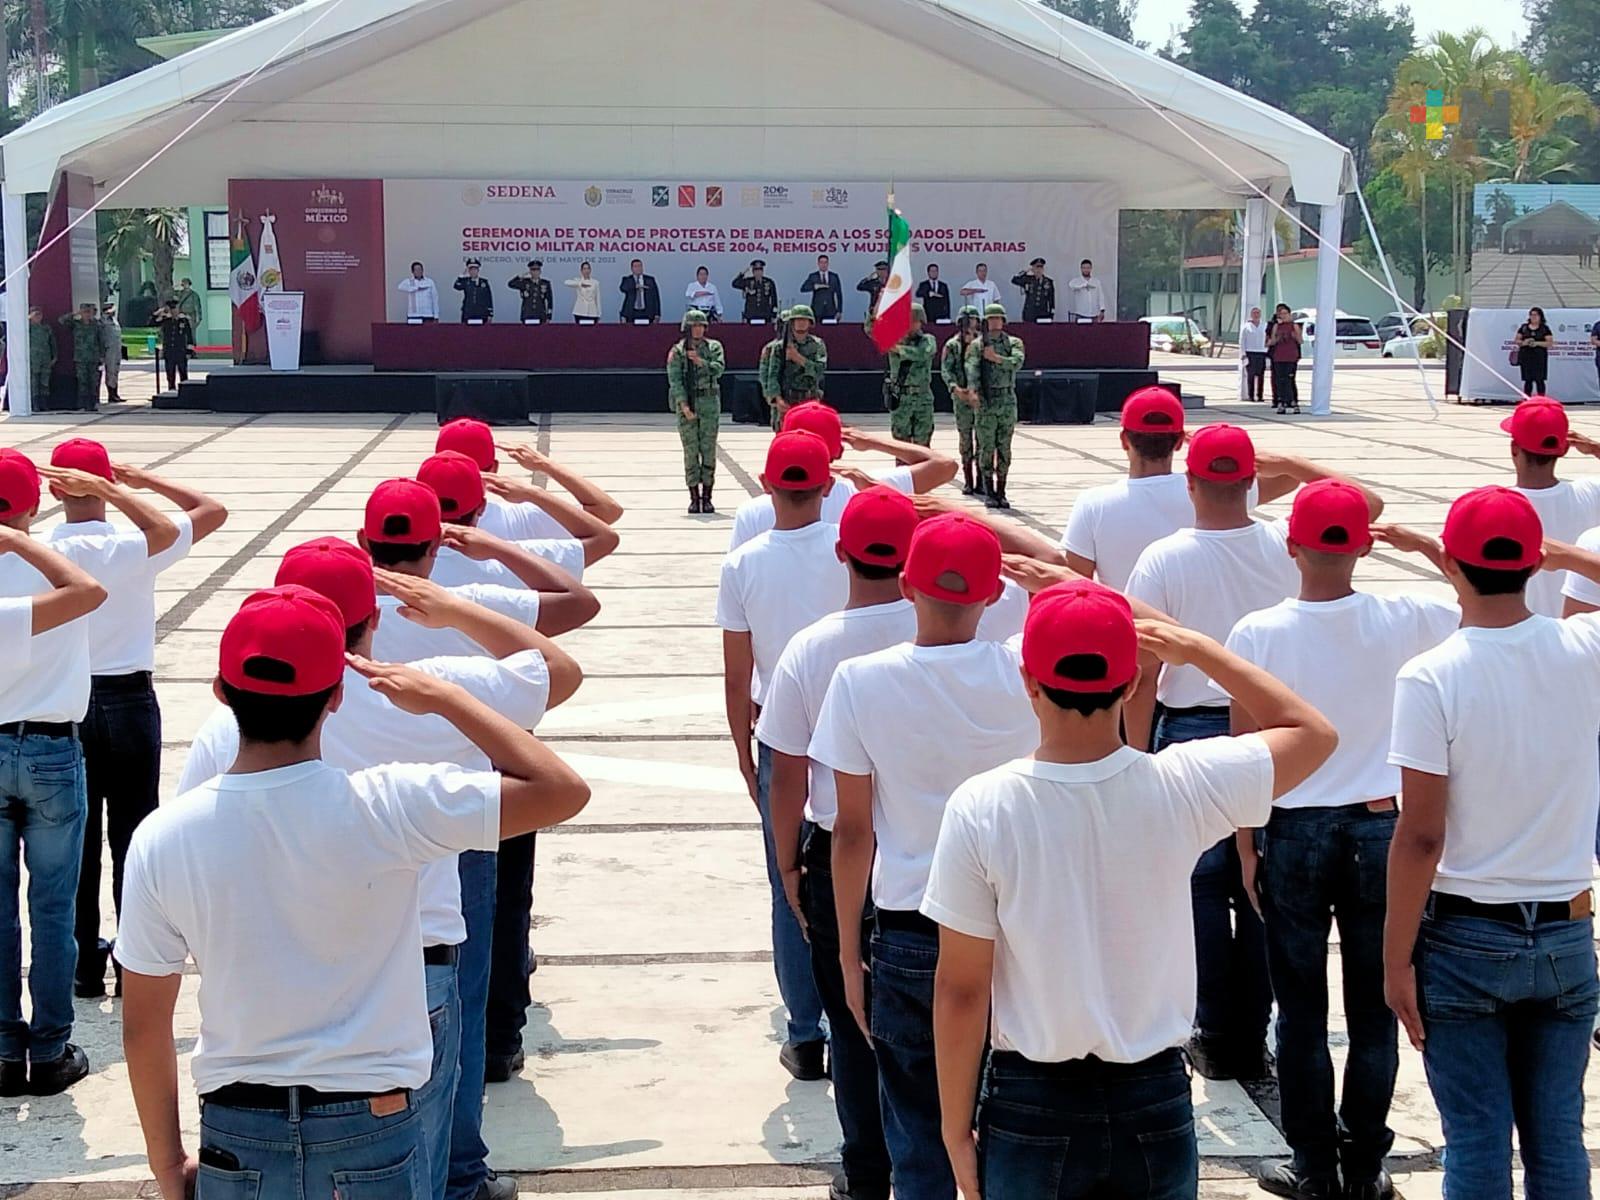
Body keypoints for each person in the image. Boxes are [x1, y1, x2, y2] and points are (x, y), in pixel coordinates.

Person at [115, 585, 591, 1200]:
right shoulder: (387, 806)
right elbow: (560, 789)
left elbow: (143, 1024)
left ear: (221, 691)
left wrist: (167, 1163)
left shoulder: (161, 837)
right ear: (337, 696)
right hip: (373, 1123)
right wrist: (450, 699)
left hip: (237, 1128)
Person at [923, 582, 1337, 1200]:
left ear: (1028, 680)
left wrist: (955, 1128)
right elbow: (1313, 732)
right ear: (1129, 684)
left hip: (1031, 1100)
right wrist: (1198, 651)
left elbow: (961, 989)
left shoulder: (983, 805)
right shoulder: (1182, 784)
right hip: (1153, 1097)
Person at [1123, 425, 1384, 1083]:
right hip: (1276, 724)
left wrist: (1132, 752)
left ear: (1190, 484)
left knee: (1204, 887)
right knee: (1260, 891)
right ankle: (1257, 1024)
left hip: (1189, 731)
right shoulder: (1283, 544)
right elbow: (1366, 507)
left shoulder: (1163, 558)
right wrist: (1297, 464)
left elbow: (1146, 671)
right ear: (1252, 483)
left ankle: (1215, 1030)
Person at [1226, 484, 1458, 1200]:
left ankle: (1312, 1164)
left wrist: (1245, 843)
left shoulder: (1256, 633)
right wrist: (1424, 548)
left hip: (1293, 828)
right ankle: (1365, 1165)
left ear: (1291, 547)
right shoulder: (1408, 615)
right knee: (1375, 1009)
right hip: (1380, 827)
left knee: (1299, 1013)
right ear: (1360, 546)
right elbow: (1486, 601)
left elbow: (1244, 749)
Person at [809, 514, 1036, 1200]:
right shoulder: (1027, 670)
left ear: (907, 586)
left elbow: (852, 833)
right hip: (1015, 928)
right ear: (995, 595)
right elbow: (1104, 606)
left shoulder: (859, 681)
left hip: (910, 930)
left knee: (917, 1138)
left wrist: (850, 953)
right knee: (1016, 1131)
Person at [1385, 487, 1600, 1200]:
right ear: (1535, 563)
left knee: (1477, 1143)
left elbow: (1420, 835)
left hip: (1466, 938)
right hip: (1568, 934)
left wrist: (1393, 960)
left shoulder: (1431, 675)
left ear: (1450, 562)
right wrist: (1565, 556)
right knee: (1558, 1140)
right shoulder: (1584, 648)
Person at [756, 487, 917, 1200]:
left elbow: (786, 770)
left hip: (838, 852)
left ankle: (867, 1173)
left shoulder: (813, 649)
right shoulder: (954, 630)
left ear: (841, 551)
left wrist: (786, 861)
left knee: (852, 1021)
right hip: (936, 853)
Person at [42, 439, 228, 1003]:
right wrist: (139, 484)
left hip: (68, 701)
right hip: (128, 701)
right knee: (134, 837)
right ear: (107, 486)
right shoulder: (133, 543)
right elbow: (210, 511)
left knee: (77, 842)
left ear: (54, 490)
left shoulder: (43, 550)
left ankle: (80, 965)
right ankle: (133, 960)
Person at [717, 430, 848, 1083]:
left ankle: (804, 1033)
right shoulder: (852, 551)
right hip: (860, 730)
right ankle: (862, 1012)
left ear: (768, 489)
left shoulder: (744, 565)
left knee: (788, 882)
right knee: (869, 873)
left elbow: (737, 677)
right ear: (827, 486)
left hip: (782, 739)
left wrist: (744, 754)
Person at [0, 452, 110, 1098]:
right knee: (53, 907)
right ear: (32, 507)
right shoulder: (62, 568)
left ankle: (6, 1050)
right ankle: (51, 1046)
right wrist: (21, 540)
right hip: (50, 753)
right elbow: (88, 593)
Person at [727, 401, 956, 551]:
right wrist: (872, 441)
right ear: (839, 449)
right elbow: (945, 465)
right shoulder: (864, 490)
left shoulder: (751, 512)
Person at [1060, 386, 1200, 591]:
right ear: (1179, 442)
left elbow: (1077, 586)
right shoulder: (1207, 493)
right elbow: (1261, 478)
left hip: (1125, 621)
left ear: (1124, 440)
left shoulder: (1093, 504)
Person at [1491, 399, 1600, 617]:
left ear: (1514, 449)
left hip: (1521, 636)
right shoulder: (1592, 492)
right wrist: (1596, 448)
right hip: (1579, 636)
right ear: (1564, 449)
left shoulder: (1494, 507)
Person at [433, 419, 626, 541]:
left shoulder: (408, 517)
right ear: (494, 469)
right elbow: (607, 510)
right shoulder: (519, 519)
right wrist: (544, 466)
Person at [965, 303, 1024, 509]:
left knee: (1004, 448)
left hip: (1006, 400)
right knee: (987, 447)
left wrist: (996, 358)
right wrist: (972, 391)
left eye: (998, 318)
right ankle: (989, 490)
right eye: (991, 319)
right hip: (987, 402)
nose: (995, 322)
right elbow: (971, 368)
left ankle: (1002, 490)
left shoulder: (1013, 343)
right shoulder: (977, 345)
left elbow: (1017, 362)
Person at [668, 309, 726, 514]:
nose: (698, 329)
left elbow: (719, 368)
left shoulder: (714, 347)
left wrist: (701, 362)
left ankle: (708, 495)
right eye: (694, 326)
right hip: (688, 405)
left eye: (701, 325)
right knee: (691, 452)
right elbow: (675, 381)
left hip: (709, 402)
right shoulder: (677, 351)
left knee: (709, 450)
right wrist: (684, 406)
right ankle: (693, 496)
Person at [759, 304, 827, 431]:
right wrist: (777, 399)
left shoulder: (817, 345)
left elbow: (819, 371)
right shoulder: (779, 347)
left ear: (810, 323)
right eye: (797, 320)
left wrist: (798, 358)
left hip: (809, 400)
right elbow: (771, 376)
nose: (801, 323)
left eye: (804, 320)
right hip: (786, 400)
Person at [941, 306, 983, 495]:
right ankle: (968, 479)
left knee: (984, 440)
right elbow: (946, 370)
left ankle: (982, 479)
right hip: (962, 396)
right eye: (967, 321)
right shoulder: (952, 345)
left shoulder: (983, 343)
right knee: (966, 439)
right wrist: (955, 389)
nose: (971, 324)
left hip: (981, 398)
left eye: (973, 321)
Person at [886, 303, 937, 447]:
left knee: (923, 446)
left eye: (913, 321)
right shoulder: (894, 338)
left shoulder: (928, 340)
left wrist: (899, 349)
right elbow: (871, 330)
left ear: (921, 321)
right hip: (901, 398)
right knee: (901, 446)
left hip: (922, 398)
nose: (909, 324)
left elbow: (923, 353)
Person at [60, 303, 103, 410]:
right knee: (82, 381)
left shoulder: (96, 325)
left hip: (93, 357)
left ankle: (92, 404)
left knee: (93, 381)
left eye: (89, 312)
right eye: (85, 312)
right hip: (81, 358)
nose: (87, 315)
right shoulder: (76, 324)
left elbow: (101, 341)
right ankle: (83, 403)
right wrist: (76, 314)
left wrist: (102, 356)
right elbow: (61, 320)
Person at [1267, 303, 1303, 413]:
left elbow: (1300, 341)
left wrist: (1294, 336)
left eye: (1285, 313)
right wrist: (1273, 341)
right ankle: (1281, 402)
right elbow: (1272, 341)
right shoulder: (1276, 326)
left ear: (1289, 314)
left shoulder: (1294, 326)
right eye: (1281, 314)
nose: (1283, 316)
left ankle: (1294, 402)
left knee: (1290, 379)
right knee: (1280, 380)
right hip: (1279, 356)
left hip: (1291, 356)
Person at [154, 299, 192, 393]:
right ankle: (171, 390)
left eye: (175, 309)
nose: (173, 311)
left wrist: (189, 351)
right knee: (170, 373)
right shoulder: (165, 320)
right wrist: (158, 313)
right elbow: (152, 323)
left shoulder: (183, 320)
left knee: (183, 372)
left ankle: (185, 391)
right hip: (169, 351)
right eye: (171, 309)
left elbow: (189, 336)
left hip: (180, 350)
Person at [1514, 305, 1554, 397]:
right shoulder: (1524, 327)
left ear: (1540, 316)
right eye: (1531, 315)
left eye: (1535, 315)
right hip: (1526, 357)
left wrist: (1536, 343)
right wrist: (1525, 342)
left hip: (1539, 358)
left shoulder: (1544, 328)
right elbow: (1517, 340)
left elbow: (1549, 343)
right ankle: (1527, 399)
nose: (1533, 317)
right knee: (1528, 380)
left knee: (1539, 380)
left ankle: (1541, 399)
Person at [801, 254, 844, 322]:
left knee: (830, 330)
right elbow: (803, 288)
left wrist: (839, 311)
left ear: (828, 263)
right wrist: (815, 286)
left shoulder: (834, 277)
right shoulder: (813, 276)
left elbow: (839, 295)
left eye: (825, 262)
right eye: (821, 262)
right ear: (818, 264)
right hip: (816, 310)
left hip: (831, 310)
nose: (823, 264)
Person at [1011, 257, 1056, 321]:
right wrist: (1025, 272)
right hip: (1029, 313)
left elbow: (1051, 298)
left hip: (1043, 313)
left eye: (1041, 267)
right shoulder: (1028, 279)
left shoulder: (1048, 282)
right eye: (1036, 267)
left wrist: (1052, 312)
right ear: (1033, 269)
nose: (1039, 270)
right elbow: (1014, 280)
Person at [617, 258, 660, 324]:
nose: (638, 268)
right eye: (636, 266)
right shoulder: (627, 279)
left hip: (647, 312)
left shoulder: (650, 280)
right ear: (632, 269)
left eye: (640, 266)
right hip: (631, 312)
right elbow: (623, 288)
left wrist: (657, 314)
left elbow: (656, 297)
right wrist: (635, 286)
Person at [27, 308, 55, 405]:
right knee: (34, 381)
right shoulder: (27, 328)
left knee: (45, 381)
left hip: (45, 358)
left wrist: (54, 356)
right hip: (33, 359)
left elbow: (52, 343)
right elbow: (17, 328)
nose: (38, 317)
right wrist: (28, 318)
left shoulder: (46, 328)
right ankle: (35, 404)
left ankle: (44, 403)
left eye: (39, 314)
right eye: (35, 315)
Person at [1241, 305, 1268, 403]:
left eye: (1258, 313)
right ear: (1251, 315)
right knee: (1251, 375)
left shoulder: (1264, 325)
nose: (1256, 315)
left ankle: (1260, 395)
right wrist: (1243, 353)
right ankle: (1251, 395)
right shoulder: (1246, 326)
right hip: (1250, 352)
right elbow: (1243, 340)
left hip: (1262, 352)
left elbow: (1267, 338)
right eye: (1254, 313)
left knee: (1261, 375)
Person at [1066, 258, 1106, 322]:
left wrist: (1102, 310)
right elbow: (1071, 285)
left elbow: (1101, 296)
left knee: (1095, 332)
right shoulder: (1076, 281)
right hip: (1081, 314)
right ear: (1081, 269)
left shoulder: (1096, 281)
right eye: (1084, 268)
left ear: (1091, 268)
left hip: (1094, 314)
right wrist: (1084, 285)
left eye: (1088, 268)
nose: (1086, 270)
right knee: (1080, 332)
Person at [100, 305, 123, 403]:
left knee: (116, 371)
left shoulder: (114, 321)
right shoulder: (103, 322)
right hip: (109, 349)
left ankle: (115, 393)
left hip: (117, 349)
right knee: (111, 371)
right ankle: (111, 394)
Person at [857, 260, 890, 326]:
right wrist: (867, 279)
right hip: (874, 311)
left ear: (887, 270)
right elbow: (859, 287)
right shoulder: (873, 283)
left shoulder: (892, 282)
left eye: (884, 269)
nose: (881, 271)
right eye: (879, 269)